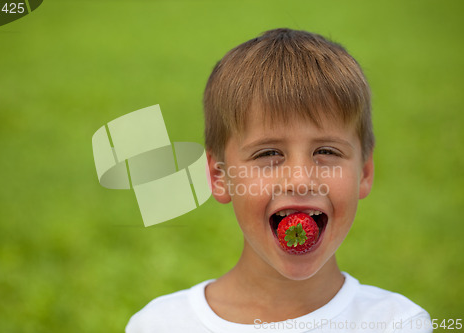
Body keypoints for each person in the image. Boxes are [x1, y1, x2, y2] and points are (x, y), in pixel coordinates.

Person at [125, 28, 432, 332]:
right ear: (219, 176)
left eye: (326, 151)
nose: (300, 180)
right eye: (268, 153)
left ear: (364, 171)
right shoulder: (160, 325)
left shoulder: (398, 323)